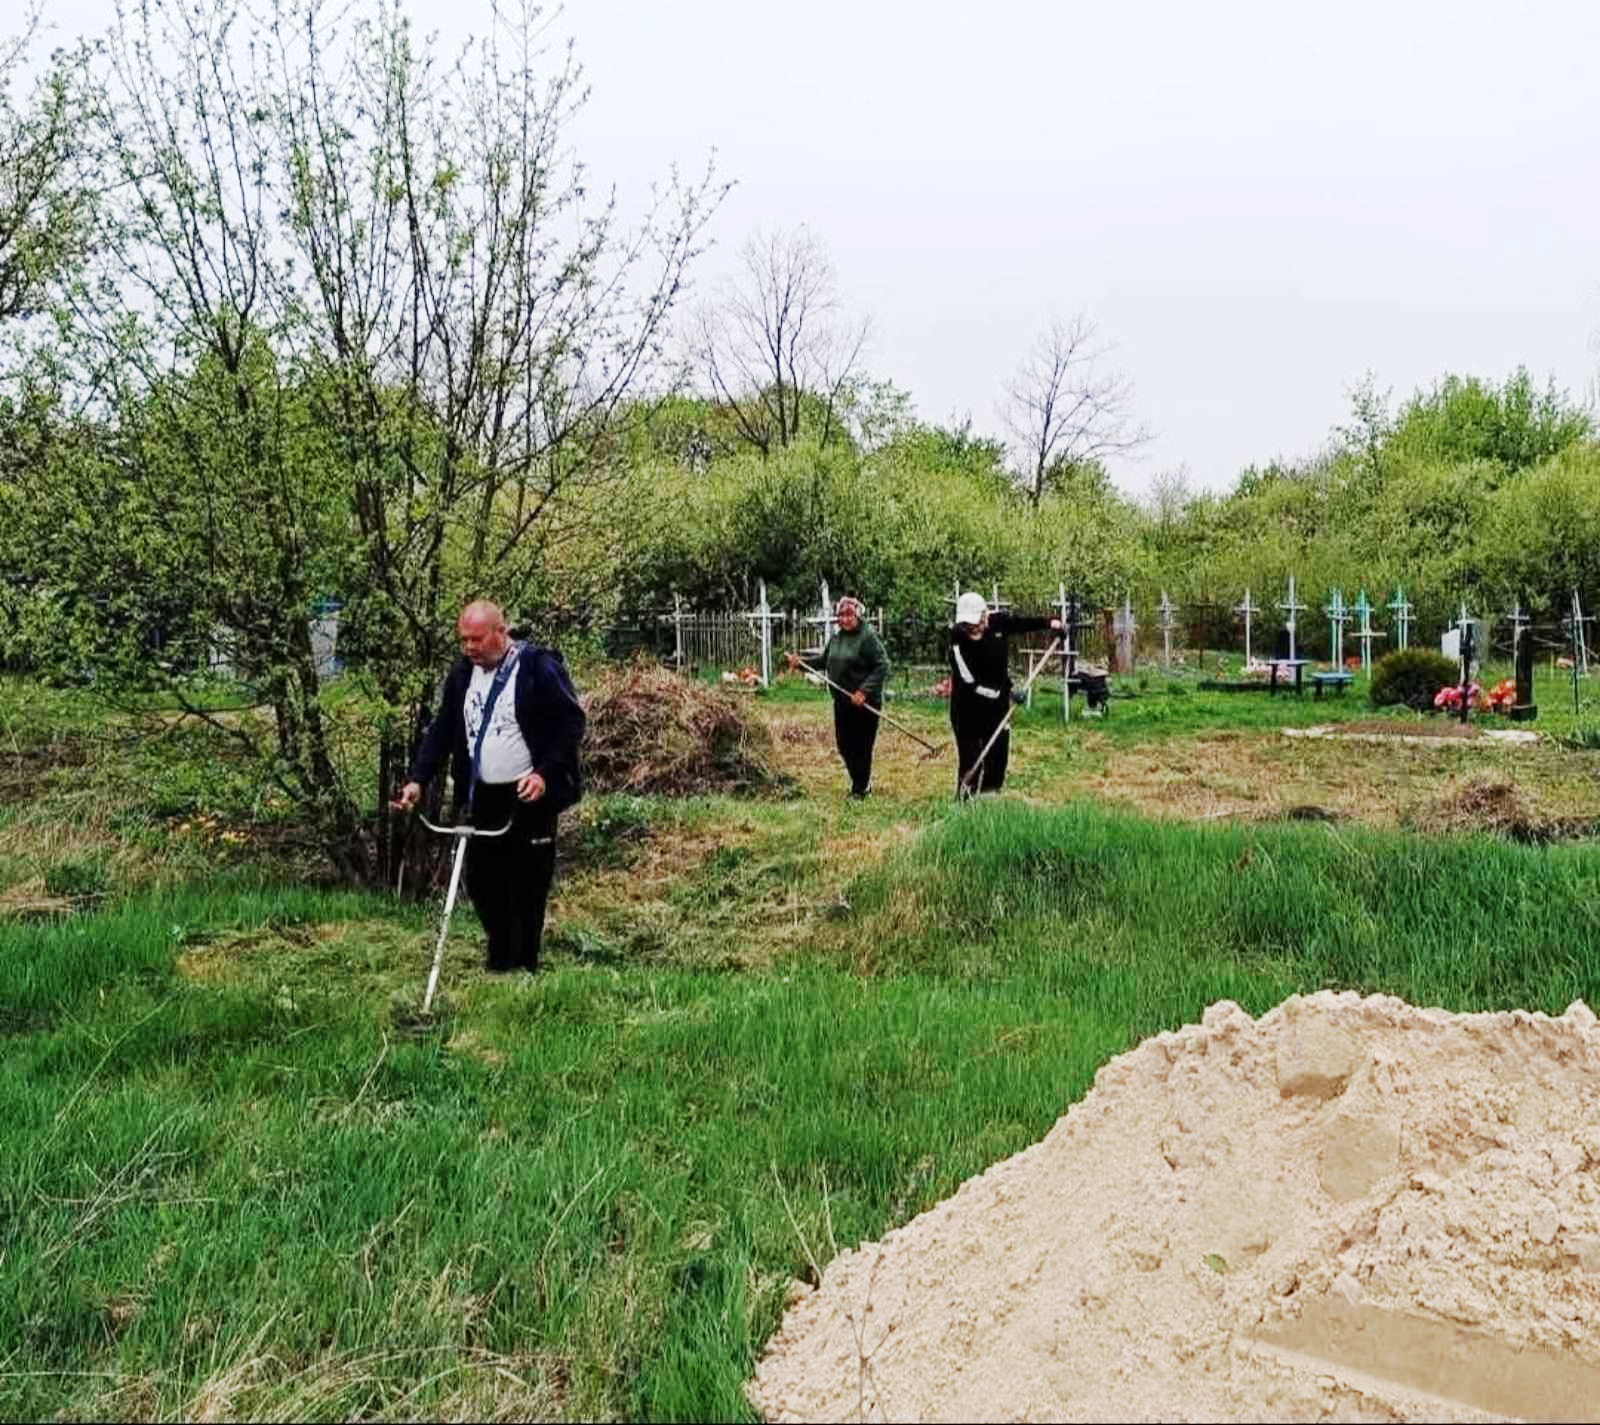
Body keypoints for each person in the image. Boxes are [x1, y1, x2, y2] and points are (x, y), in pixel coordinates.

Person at [392, 600, 585, 973]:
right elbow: (443, 729)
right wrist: (418, 779)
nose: (469, 648)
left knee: (527, 884)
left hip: (529, 793)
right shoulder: (462, 674)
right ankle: (500, 959)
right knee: (482, 881)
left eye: (476, 639)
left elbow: (570, 723)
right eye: (463, 640)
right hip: (482, 794)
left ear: (501, 632)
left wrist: (544, 774)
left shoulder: (537, 667)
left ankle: (523, 967)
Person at [948, 591, 1062, 797]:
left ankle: (990, 799)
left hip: (997, 706)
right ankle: (965, 801)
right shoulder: (957, 644)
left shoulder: (998, 622)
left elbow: (1021, 624)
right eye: (969, 626)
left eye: (977, 622)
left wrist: (1050, 623)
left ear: (985, 614)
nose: (975, 628)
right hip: (967, 708)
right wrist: (1007, 695)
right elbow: (970, 684)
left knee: (998, 755)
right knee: (971, 758)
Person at [788, 595, 890, 798]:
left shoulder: (867, 637)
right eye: (841, 615)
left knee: (861, 746)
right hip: (842, 701)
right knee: (844, 745)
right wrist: (801, 663)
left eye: (849, 615)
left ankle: (860, 788)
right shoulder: (837, 637)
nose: (844, 619)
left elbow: (882, 665)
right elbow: (824, 660)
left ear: (857, 615)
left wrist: (864, 691)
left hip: (864, 703)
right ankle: (860, 782)